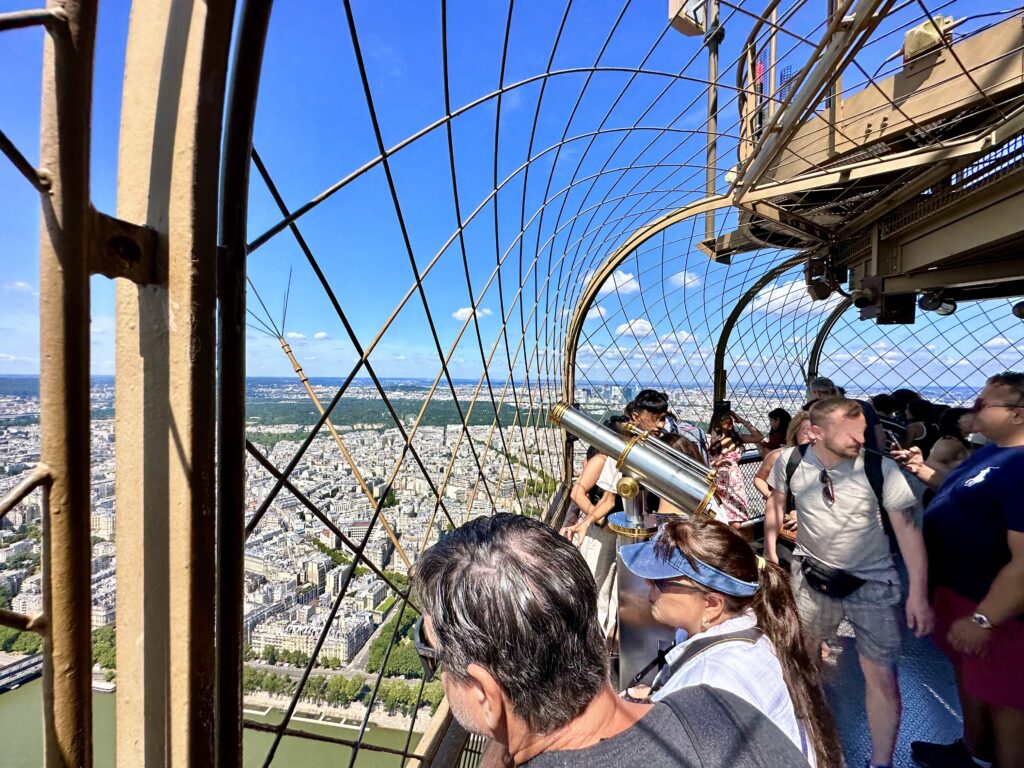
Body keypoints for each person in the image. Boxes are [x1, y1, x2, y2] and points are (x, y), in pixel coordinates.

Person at [412, 513, 811, 767]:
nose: (650, 588)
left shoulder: (720, 678)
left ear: (485, 693)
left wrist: (506, 734)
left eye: (434, 656)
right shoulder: (719, 707)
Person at [767, 397, 934, 768]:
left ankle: (880, 761)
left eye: (862, 431)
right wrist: (771, 548)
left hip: (874, 584)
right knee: (804, 658)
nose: (861, 439)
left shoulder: (882, 470)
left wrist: (917, 595)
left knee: (881, 676)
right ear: (817, 432)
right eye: (850, 432)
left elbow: (909, 536)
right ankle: (808, 734)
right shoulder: (792, 462)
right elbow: (775, 502)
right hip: (813, 576)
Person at [618, 518, 842, 767]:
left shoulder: (708, 685)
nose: (648, 583)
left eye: (661, 581)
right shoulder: (757, 634)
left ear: (712, 604)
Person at [894, 373, 1024, 768]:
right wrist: (922, 470)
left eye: (986, 403)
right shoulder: (994, 453)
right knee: (973, 678)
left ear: (1018, 413)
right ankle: (976, 751)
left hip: (993, 605)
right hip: (957, 590)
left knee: (1007, 697)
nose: (974, 408)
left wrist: (985, 618)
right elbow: (963, 489)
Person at [758, 411, 814, 563]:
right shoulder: (785, 458)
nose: (812, 437)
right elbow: (760, 479)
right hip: (788, 534)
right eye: (806, 432)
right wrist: (772, 497)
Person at [707, 408, 763, 524]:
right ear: (718, 423)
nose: (730, 422)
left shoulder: (737, 439)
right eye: (726, 420)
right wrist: (717, 464)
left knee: (737, 521)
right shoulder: (709, 440)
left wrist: (741, 420)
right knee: (719, 520)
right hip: (718, 483)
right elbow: (704, 460)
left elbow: (758, 437)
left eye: (731, 420)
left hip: (735, 484)